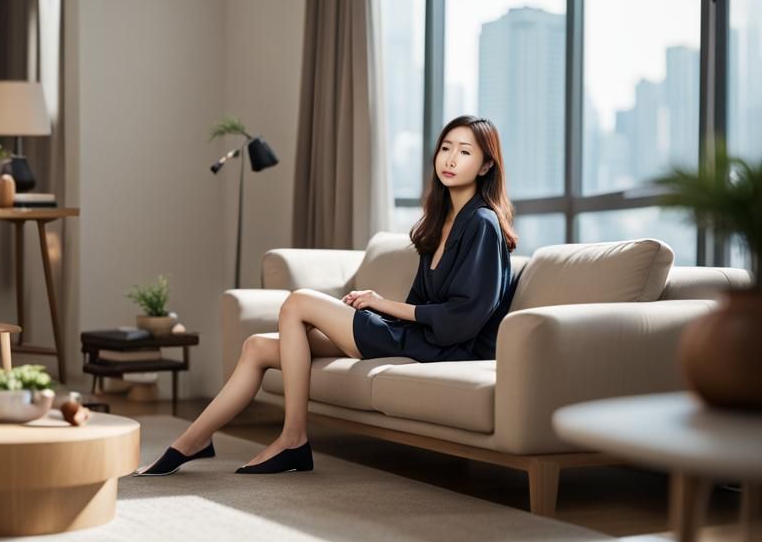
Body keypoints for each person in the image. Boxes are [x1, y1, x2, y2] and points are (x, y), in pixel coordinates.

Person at [138, 115, 518, 477]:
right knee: (256, 346)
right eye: (446, 147)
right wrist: (383, 308)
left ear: (486, 166)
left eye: (465, 152)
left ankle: (293, 439)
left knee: (299, 301)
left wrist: (381, 304)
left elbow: (464, 315)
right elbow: (422, 298)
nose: (451, 159)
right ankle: (191, 442)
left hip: (446, 347)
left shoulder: (482, 223)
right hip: (416, 337)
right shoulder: (440, 222)